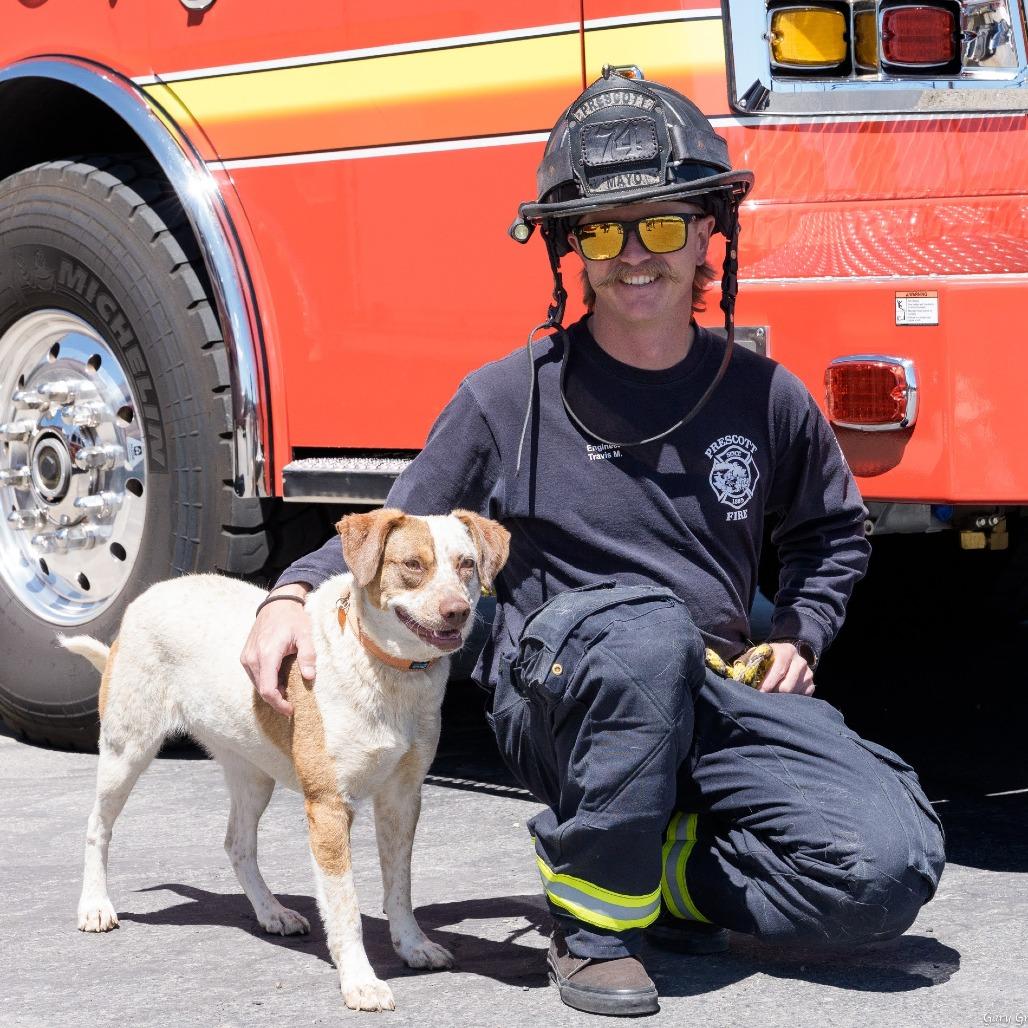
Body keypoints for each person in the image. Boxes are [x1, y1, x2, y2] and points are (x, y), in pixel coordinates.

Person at [242, 70, 945, 1017]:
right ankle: (592, 921)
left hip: (713, 686)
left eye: (661, 226)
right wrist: (289, 596)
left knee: (885, 868)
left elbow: (830, 531)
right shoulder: (506, 396)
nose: (633, 256)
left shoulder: (765, 397)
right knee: (647, 633)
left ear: (707, 236)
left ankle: (654, 870)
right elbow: (394, 529)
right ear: (572, 248)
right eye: (603, 231)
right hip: (570, 703)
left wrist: (804, 632)